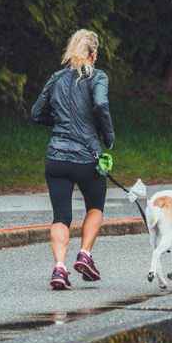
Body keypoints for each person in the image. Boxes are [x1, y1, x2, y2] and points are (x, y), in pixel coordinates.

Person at [31, 29, 115, 290]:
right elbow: (101, 105)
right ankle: (85, 255)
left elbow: (36, 113)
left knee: (61, 217)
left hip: (55, 157)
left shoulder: (56, 78)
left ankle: (59, 268)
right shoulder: (97, 76)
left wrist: (57, 123)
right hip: (85, 158)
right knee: (95, 207)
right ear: (94, 54)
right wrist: (108, 136)